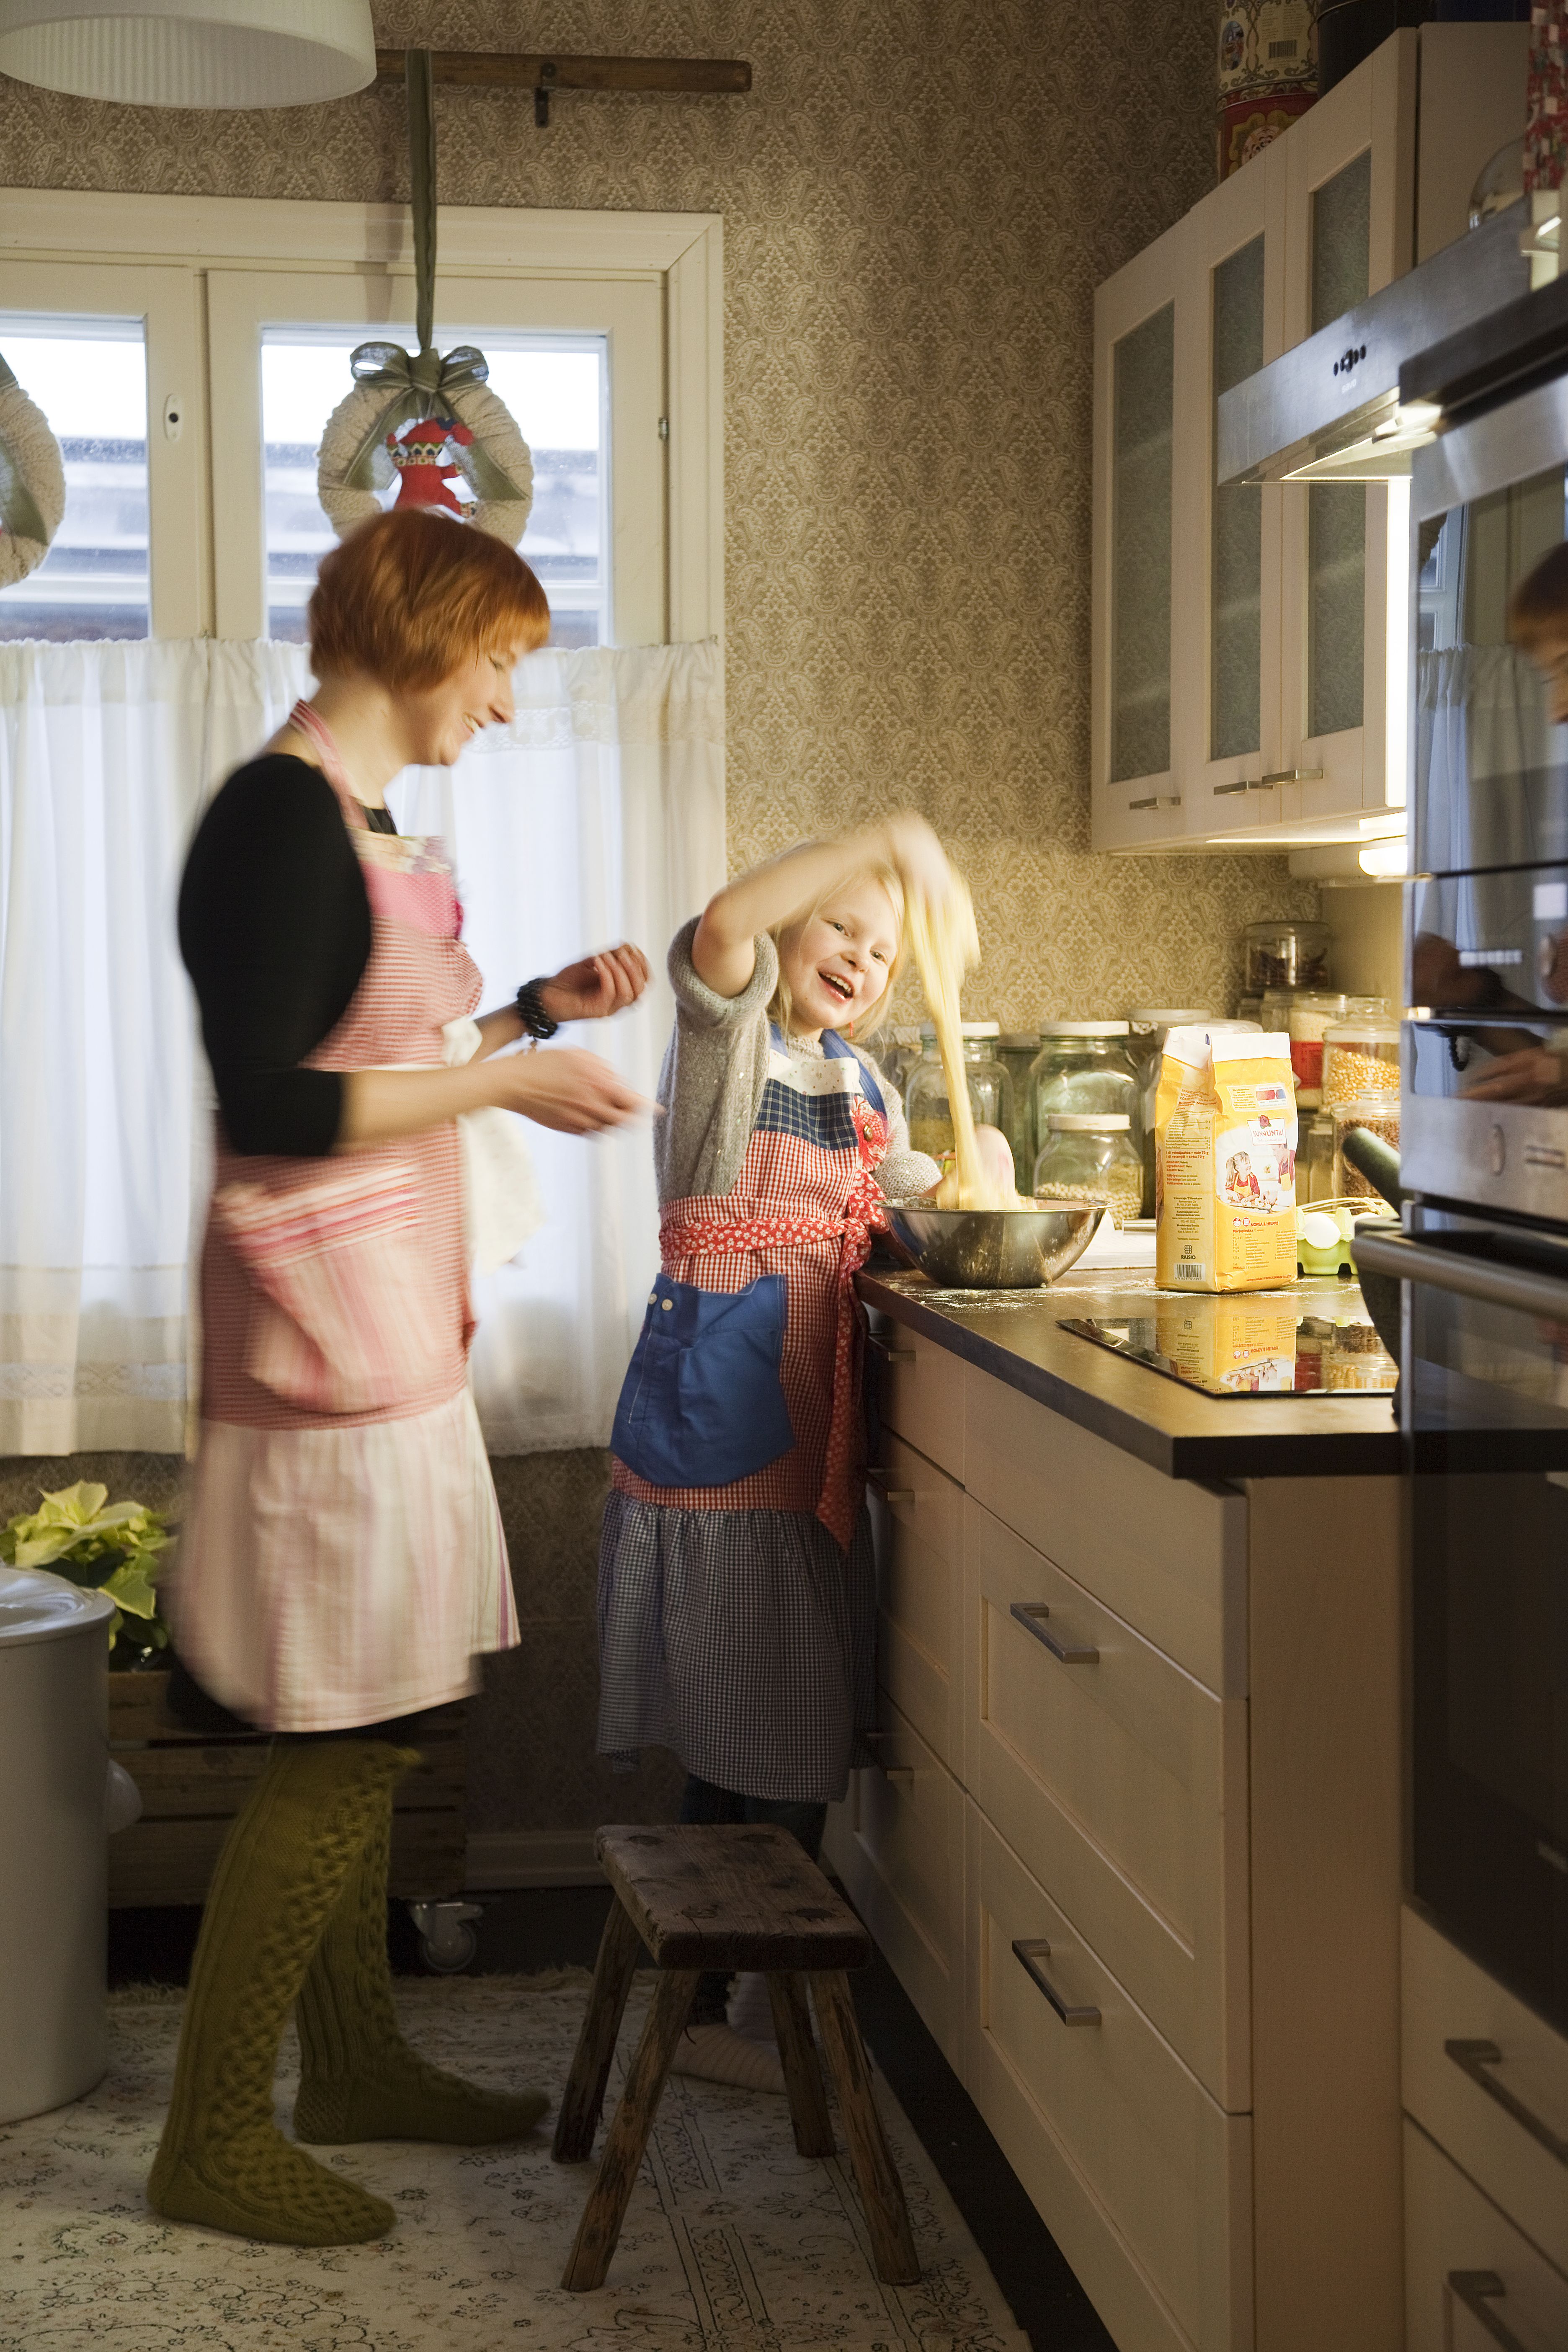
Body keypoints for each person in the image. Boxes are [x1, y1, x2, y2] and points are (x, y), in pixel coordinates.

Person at [150, 505, 650, 2248]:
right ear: (428, 637)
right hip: (317, 1359)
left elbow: (377, 1049)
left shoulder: (359, 825)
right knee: (335, 1742)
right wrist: (510, 1091)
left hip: (380, 1331)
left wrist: (527, 1013)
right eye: (504, 660)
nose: (508, 701)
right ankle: (212, 2138)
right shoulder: (274, 823)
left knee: (386, 1716)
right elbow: (277, 1105)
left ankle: (355, 2067)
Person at [595, 822, 952, 2090]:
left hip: (802, 1432)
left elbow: (910, 1204)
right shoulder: (729, 1049)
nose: (860, 957)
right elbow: (721, 932)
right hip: (730, 1432)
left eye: (883, 950)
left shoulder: (862, 1082)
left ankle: (700, 2005)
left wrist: (974, 1184)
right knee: (784, 1733)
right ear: (789, 934)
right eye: (839, 927)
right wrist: (878, 840)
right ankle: (745, 2006)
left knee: (752, 1736)